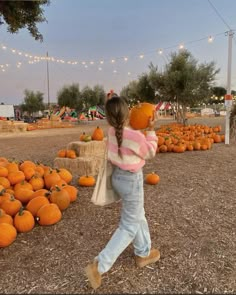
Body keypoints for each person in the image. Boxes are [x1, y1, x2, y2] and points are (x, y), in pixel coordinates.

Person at [85, 96, 160, 289]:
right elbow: (150, 152)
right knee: (128, 226)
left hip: (118, 179)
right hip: (131, 180)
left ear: (108, 118)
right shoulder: (134, 136)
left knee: (137, 216)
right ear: (128, 113)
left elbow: (124, 133)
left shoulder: (111, 132)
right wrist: (150, 130)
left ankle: (143, 253)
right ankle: (99, 266)